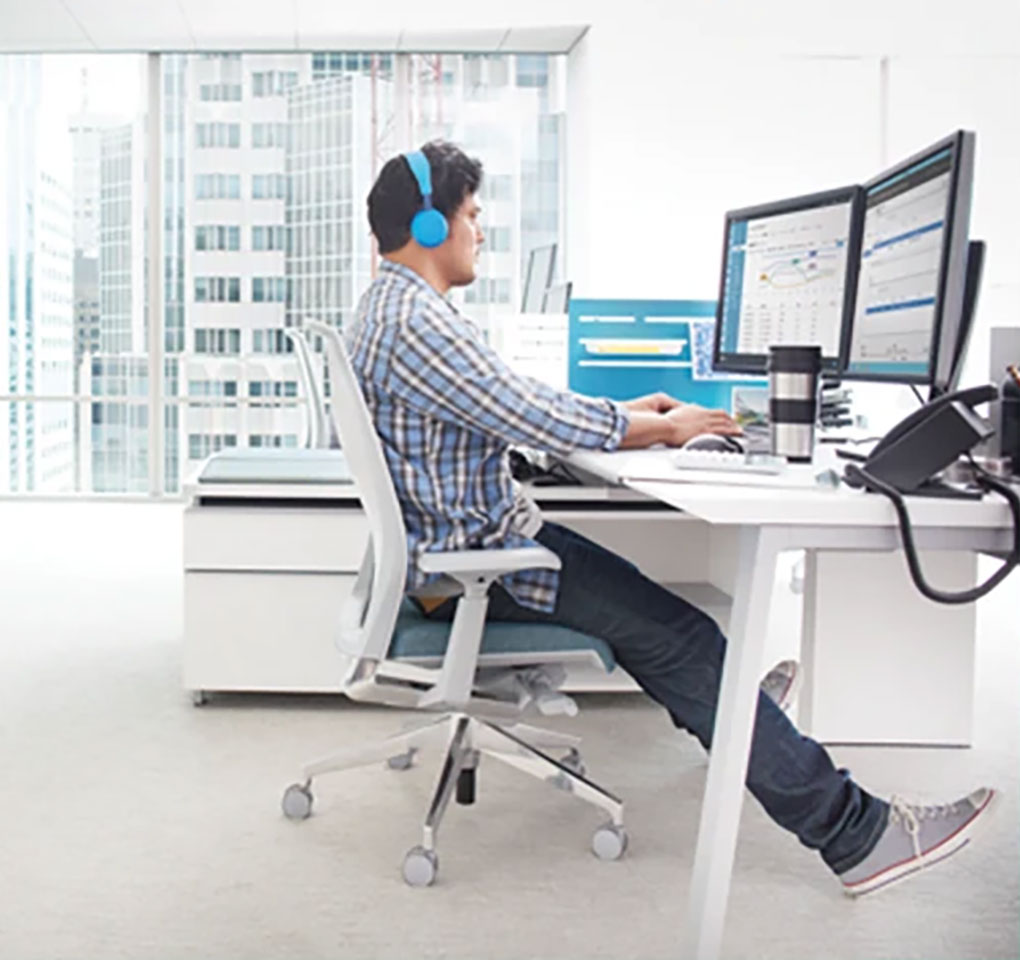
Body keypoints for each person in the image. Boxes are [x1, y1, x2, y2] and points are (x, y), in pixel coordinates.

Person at [345, 140, 998, 897]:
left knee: (672, 630)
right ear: (430, 228)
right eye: (472, 215)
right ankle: (855, 833)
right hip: (484, 565)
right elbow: (529, 414)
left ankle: (735, 714)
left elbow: (504, 396)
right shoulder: (417, 322)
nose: (481, 231)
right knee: (685, 637)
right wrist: (661, 426)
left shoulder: (394, 307)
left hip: (468, 550)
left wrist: (635, 414)